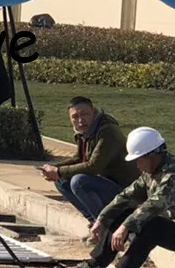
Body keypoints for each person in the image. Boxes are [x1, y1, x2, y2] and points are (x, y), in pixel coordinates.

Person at [66, 126, 175, 268]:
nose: (137, 165)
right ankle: (97, 263)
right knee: (123, 212)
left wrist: (125, 227)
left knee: (152, 225)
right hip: (170, 227)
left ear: (152, 155)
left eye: (139, 159)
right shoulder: (152, 171)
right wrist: (102, 219)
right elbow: (126, 196)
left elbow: (154, 205)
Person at [40, 97, 139, 229]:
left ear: (93, 111)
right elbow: (79, 158)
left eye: (84, 114)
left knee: (79, 181)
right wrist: (54, 169)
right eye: (75, 117)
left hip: (126, 190)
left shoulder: (108, 131)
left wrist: (58, 171)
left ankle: (106, 225)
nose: (80, 120)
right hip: (107, 183)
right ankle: (94, 220)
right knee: (60, 180)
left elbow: (94, 167)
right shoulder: (85, 132)